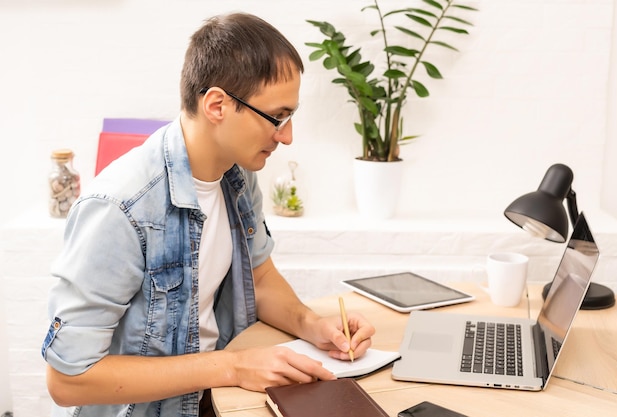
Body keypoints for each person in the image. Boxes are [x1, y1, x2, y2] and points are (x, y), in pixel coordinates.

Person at [41, 12, 375, 417]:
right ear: (217, 105)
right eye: (278, 116)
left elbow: (260, 277)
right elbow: (68, 380)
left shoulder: (236, 174)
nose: (286, 136)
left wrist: (314, 326)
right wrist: (232, 367)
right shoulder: (119, 209)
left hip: (219, 399)